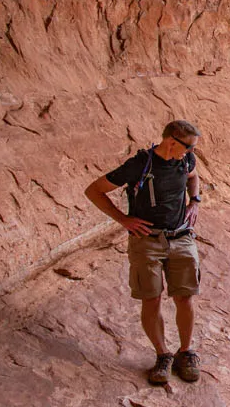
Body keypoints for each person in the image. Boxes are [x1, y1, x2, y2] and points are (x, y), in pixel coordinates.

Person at [84, 120, 203, 386]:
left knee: (184, 297)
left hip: (180, 236)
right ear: (172, 140)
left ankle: (185, 351)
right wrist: (123, 220)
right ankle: (162, 355)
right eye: (189, 146)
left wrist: (194, 201)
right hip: (146, 241)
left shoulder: (186, 161)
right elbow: (94, 190)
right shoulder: (140, 165)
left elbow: (194, 177)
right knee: (152, 298)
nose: (192, 152)